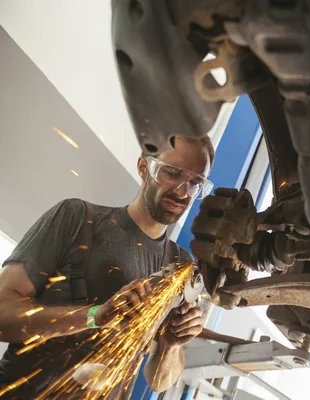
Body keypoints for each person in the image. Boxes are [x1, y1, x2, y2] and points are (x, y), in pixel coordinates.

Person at [0, 135, 214, 398]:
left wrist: (171, 344)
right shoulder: (77, 218)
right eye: (172, 173)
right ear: (144, 167)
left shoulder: (180, 266)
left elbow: (159, 382)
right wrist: (93, 316)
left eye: (195, 183)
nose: (183, 191)